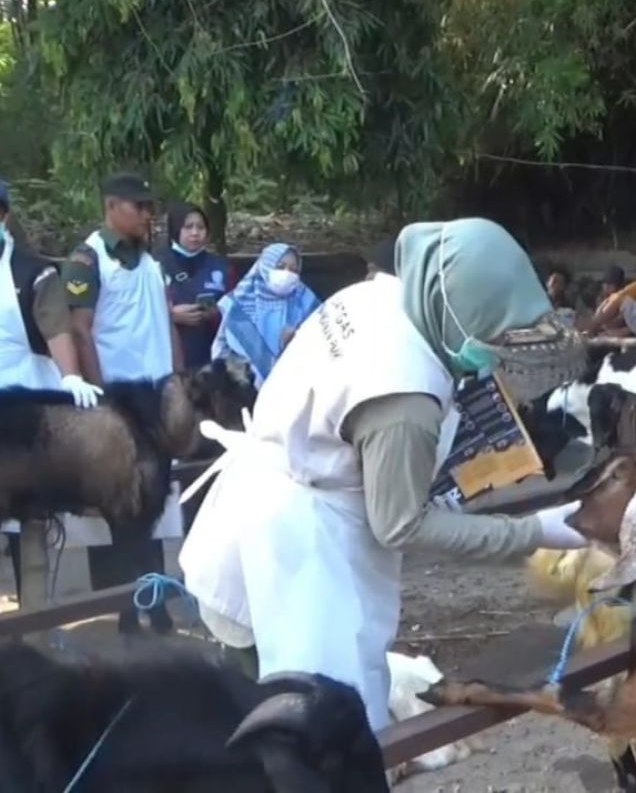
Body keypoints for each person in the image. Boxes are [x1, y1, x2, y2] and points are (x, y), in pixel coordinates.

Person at [179, 217, 591, 734]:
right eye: (492, 334)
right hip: (306, 549)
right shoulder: (404, 394)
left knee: (266, 705)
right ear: (459, 312)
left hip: (268, 493)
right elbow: (398, 524)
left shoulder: (375, 300)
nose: (493, 352)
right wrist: (538, 532)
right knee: (328, 727)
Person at [61, 171, 184, 635]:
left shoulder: (150, 259)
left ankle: (153, 603)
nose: (148, 215)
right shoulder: (89, 260)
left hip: (156, 398)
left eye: (150, 207)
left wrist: (178, 378)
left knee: (151, 508)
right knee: (118, 511)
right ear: (112, 206)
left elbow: (164, 319)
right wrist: (101, 399)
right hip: (119, 404)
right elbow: (80, 329)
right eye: (139, 207)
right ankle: (119, 612)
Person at [0, 178, 103, 600]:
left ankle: (37, 616)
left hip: (26, 402)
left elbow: (56, 325)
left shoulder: (32, 271)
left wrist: (70, 377)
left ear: (4, 216)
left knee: (28, 511)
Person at [210, 243, 320, 388]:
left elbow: (323, 343)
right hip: (244, 389)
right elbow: (221, 350)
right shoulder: (240, 303)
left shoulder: (307, 303)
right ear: (266, 266)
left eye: (294, 270)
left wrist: (297, 341)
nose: (287, 274)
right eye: (280, 267)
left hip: (294, 388)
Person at [156, 202, 233, 370]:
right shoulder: (155, 265)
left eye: (200, 227)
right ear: (175, 229)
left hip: (210, 358)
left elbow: (236, 310)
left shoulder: (221, 268)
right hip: (168, 358)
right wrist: (170, 316)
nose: (195, 233)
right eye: (188, 227)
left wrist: (216, 313)